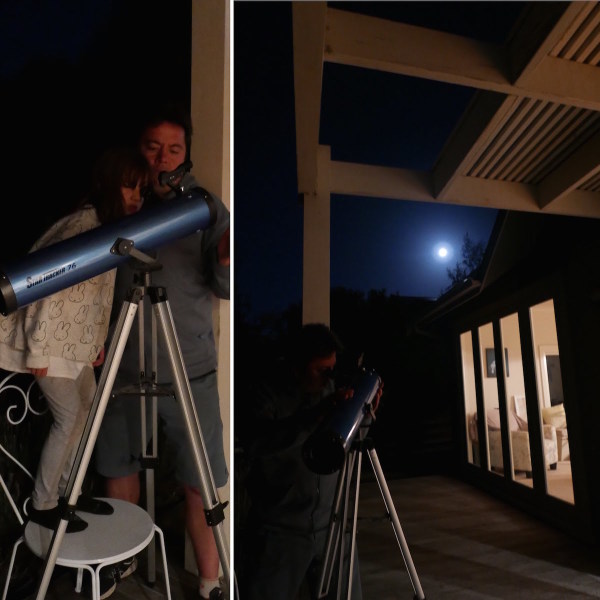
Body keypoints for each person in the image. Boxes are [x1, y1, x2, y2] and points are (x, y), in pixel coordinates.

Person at [94, 102, 230, 600]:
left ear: (186, 153)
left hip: (187, 365)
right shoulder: (119, 203)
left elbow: (226, 285)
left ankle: (211, 582)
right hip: (120, 361)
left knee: (202, 480)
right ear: (139, 150)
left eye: (175, 149)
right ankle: (123, 565)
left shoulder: (205, 207)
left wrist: (224, 256)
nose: (163, 159)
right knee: (117, 465)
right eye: (154, 147)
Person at [0, 146, 150, 540]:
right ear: (108, 185)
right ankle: (45, 503)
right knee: (69, 418)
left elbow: (95, 297)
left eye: (141, 189)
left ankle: (71, 492)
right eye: (129, 187)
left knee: (87, 412)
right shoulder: (81, 226)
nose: (136, 196)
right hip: (50, 347)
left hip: (75, 348)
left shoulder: (105, 230)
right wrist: (37, 350)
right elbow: (44, 287)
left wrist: (95, 343)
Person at [237, 323, 382, 600]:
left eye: (332, 368)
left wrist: (365, 415)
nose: (329, 376)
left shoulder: (330, 390)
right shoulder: (266, 393)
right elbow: (257, 442)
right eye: (321, 370)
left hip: (332, 524)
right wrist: (315, 416)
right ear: (297, 364)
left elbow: (347, 442)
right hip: (280, 530)